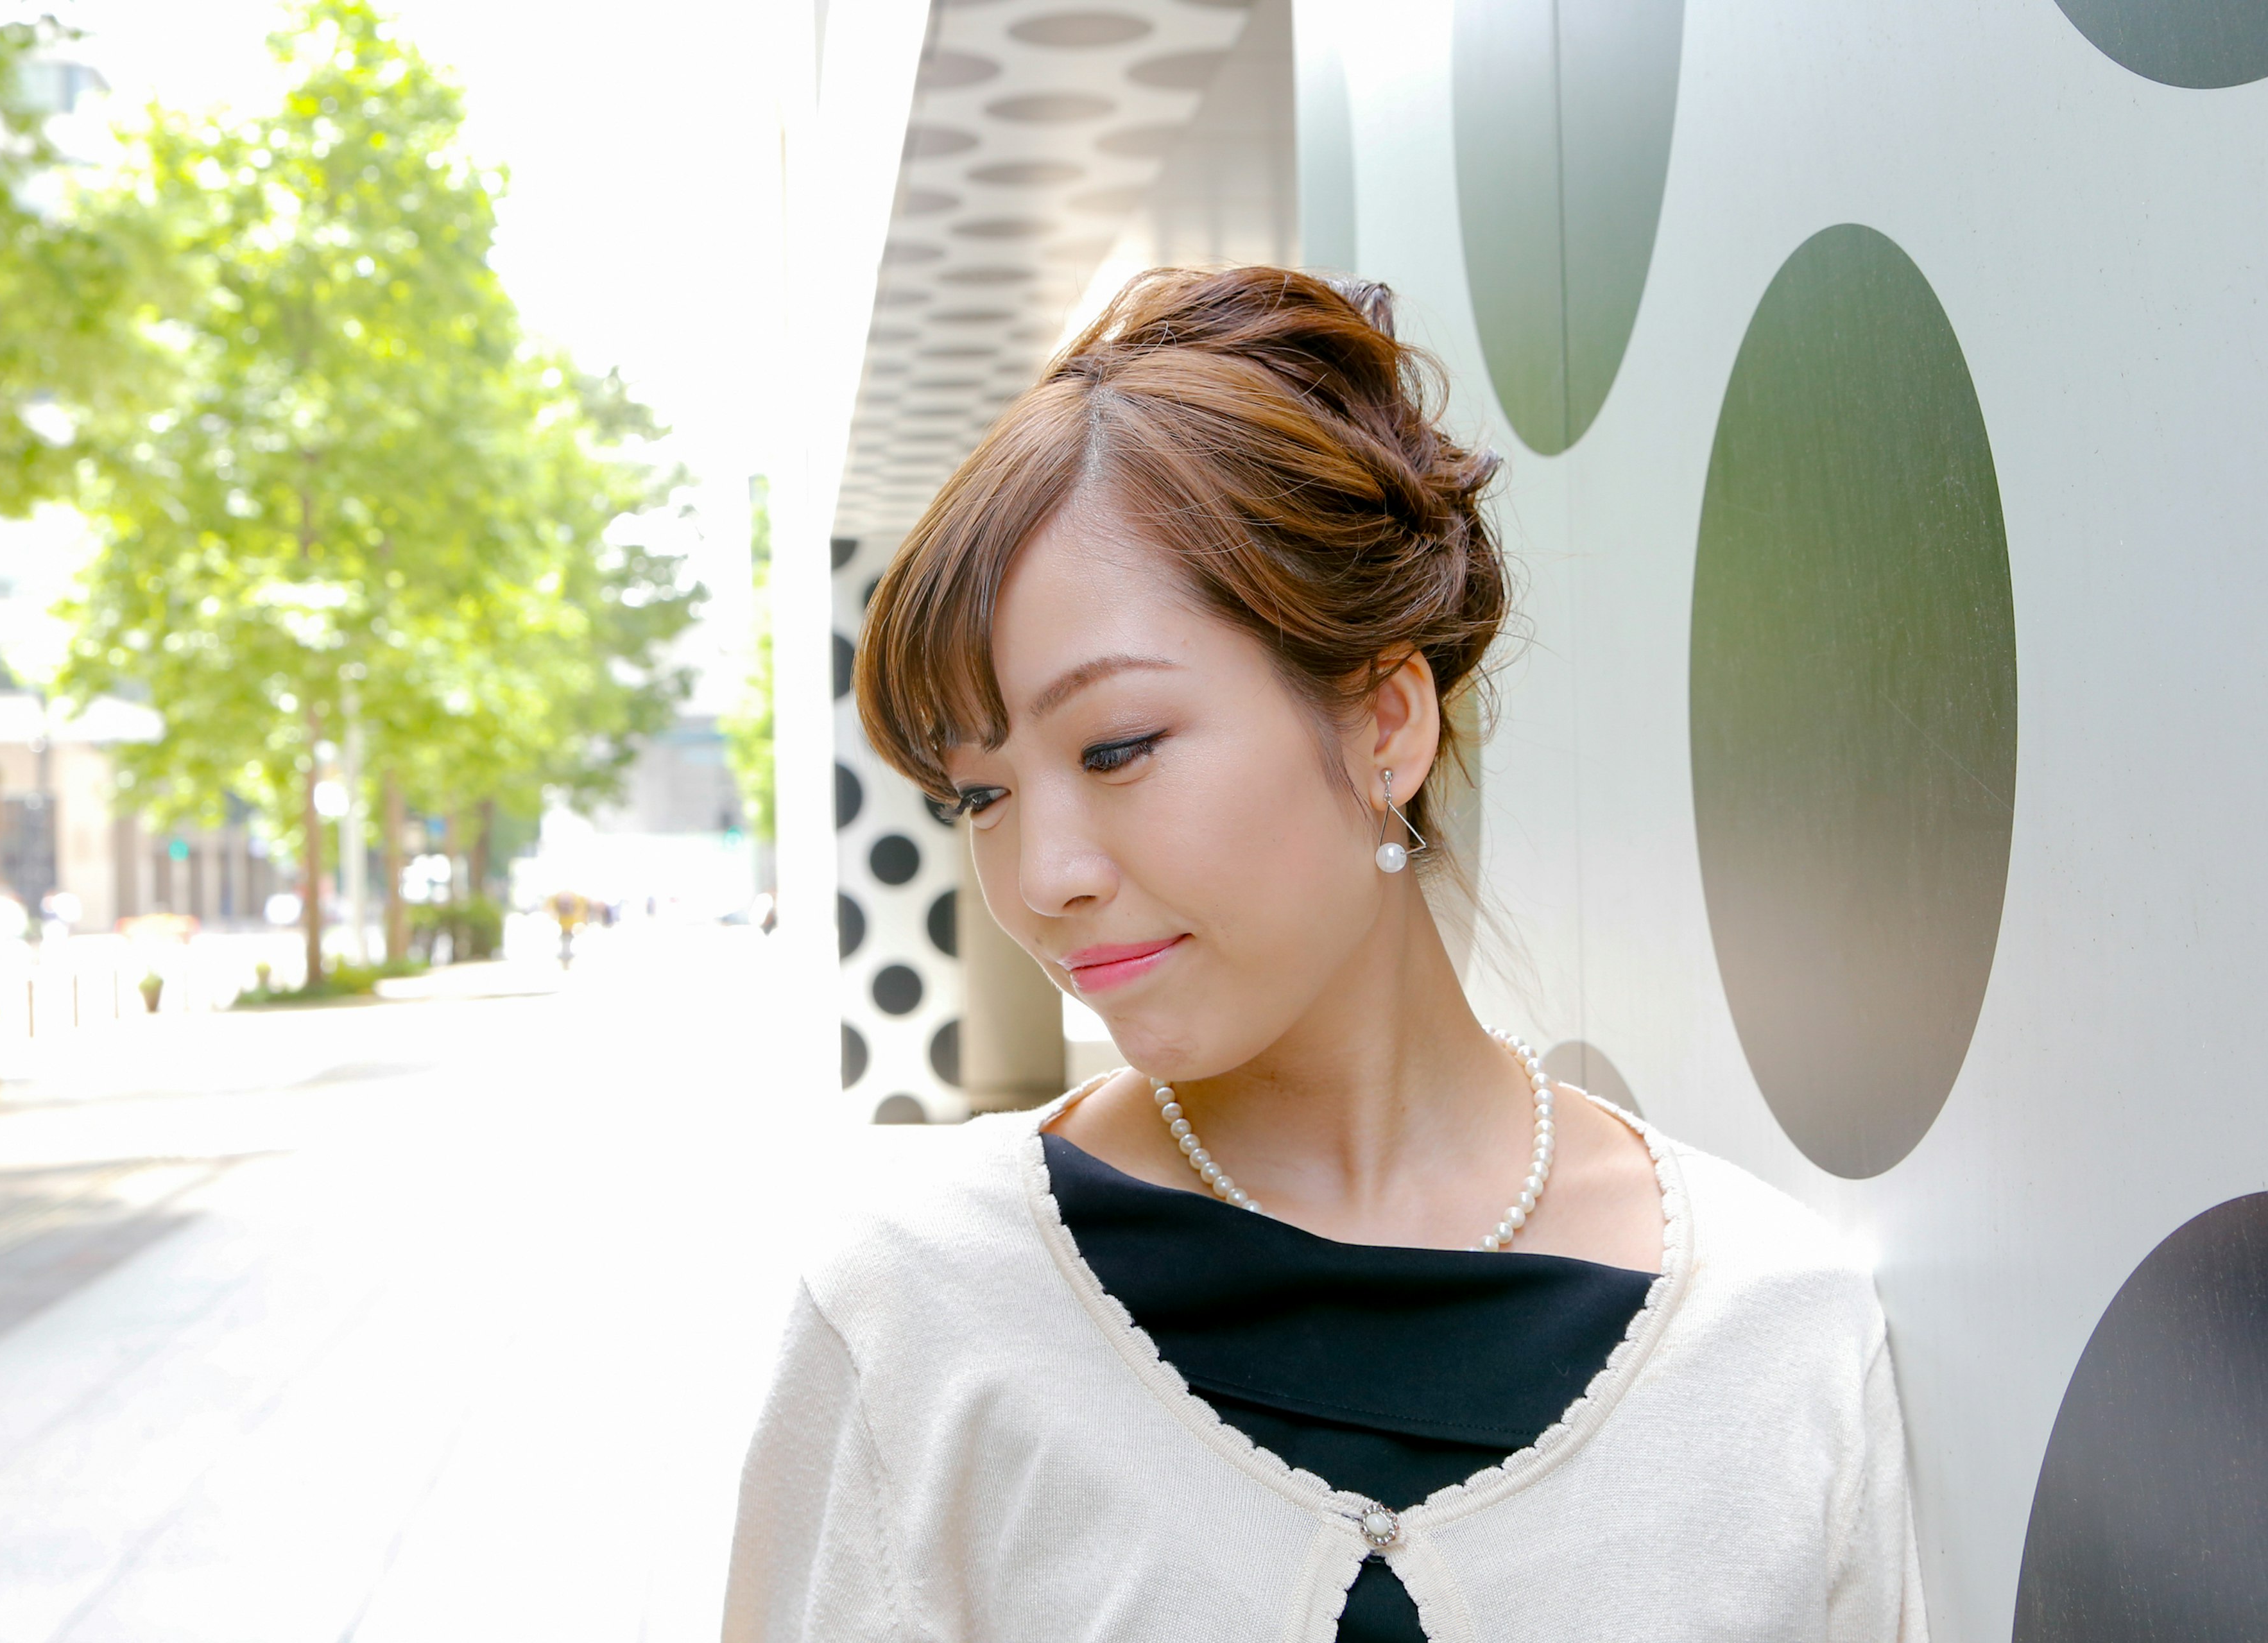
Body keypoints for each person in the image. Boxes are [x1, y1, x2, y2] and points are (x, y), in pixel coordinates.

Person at [724, 268, 1926, 1641]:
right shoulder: (916, 1308)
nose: (1041, 876)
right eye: (979, 794)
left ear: (1386, 726)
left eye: (1117, 747)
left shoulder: (1774, 1332)